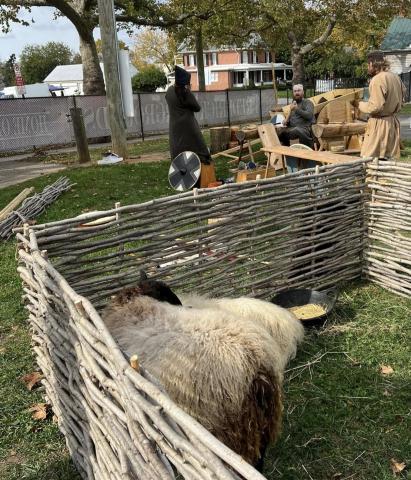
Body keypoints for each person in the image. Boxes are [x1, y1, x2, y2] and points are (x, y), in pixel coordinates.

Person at [358, 52, 404, 159]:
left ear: (374, 64)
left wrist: (360, 105)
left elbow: (376, 107)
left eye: (368, 65)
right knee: (388, 158)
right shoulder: (395, 77)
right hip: (391, 123)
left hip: (379, 124)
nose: (367, 67)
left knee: (369, 157)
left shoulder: (377, 79)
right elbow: (402, 99)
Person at [165, 65, 211, 165]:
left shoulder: (169, 91)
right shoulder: (185, 93)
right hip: (189, 126)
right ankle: (201, 167)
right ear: (185, 82)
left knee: (178, 147)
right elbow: (197, 108)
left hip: (175, 126)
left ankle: (179, 168)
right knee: (197, 146)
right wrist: (188, 90)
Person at [278, 84, 315, 148]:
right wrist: (286, 121)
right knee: (280, 132)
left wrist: (296, 109)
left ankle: (307, 150)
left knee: (298, 130)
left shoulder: (308, 103)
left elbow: (309, 116)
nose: (297, 93)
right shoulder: (293, 103)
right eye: (295, 91)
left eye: (299, 91)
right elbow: (292, 118)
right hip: (292, 128)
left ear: (303, 92)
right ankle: (286, 151)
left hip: (304, 128)